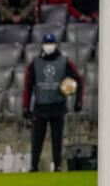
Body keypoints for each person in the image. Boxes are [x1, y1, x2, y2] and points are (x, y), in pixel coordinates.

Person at [23, 34, 84, 172]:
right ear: (43, 44)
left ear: (55, 44)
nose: (49, 45)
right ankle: (34, 166)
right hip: (41, 106)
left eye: (51, 42)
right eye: (47, 42)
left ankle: (57, 165)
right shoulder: (35, 62)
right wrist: (26, 106)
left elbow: (79, 80)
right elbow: (28, 85)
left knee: (57, 139)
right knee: (37, 139)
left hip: (58, 105)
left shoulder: (64, 61)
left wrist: (78, 101)